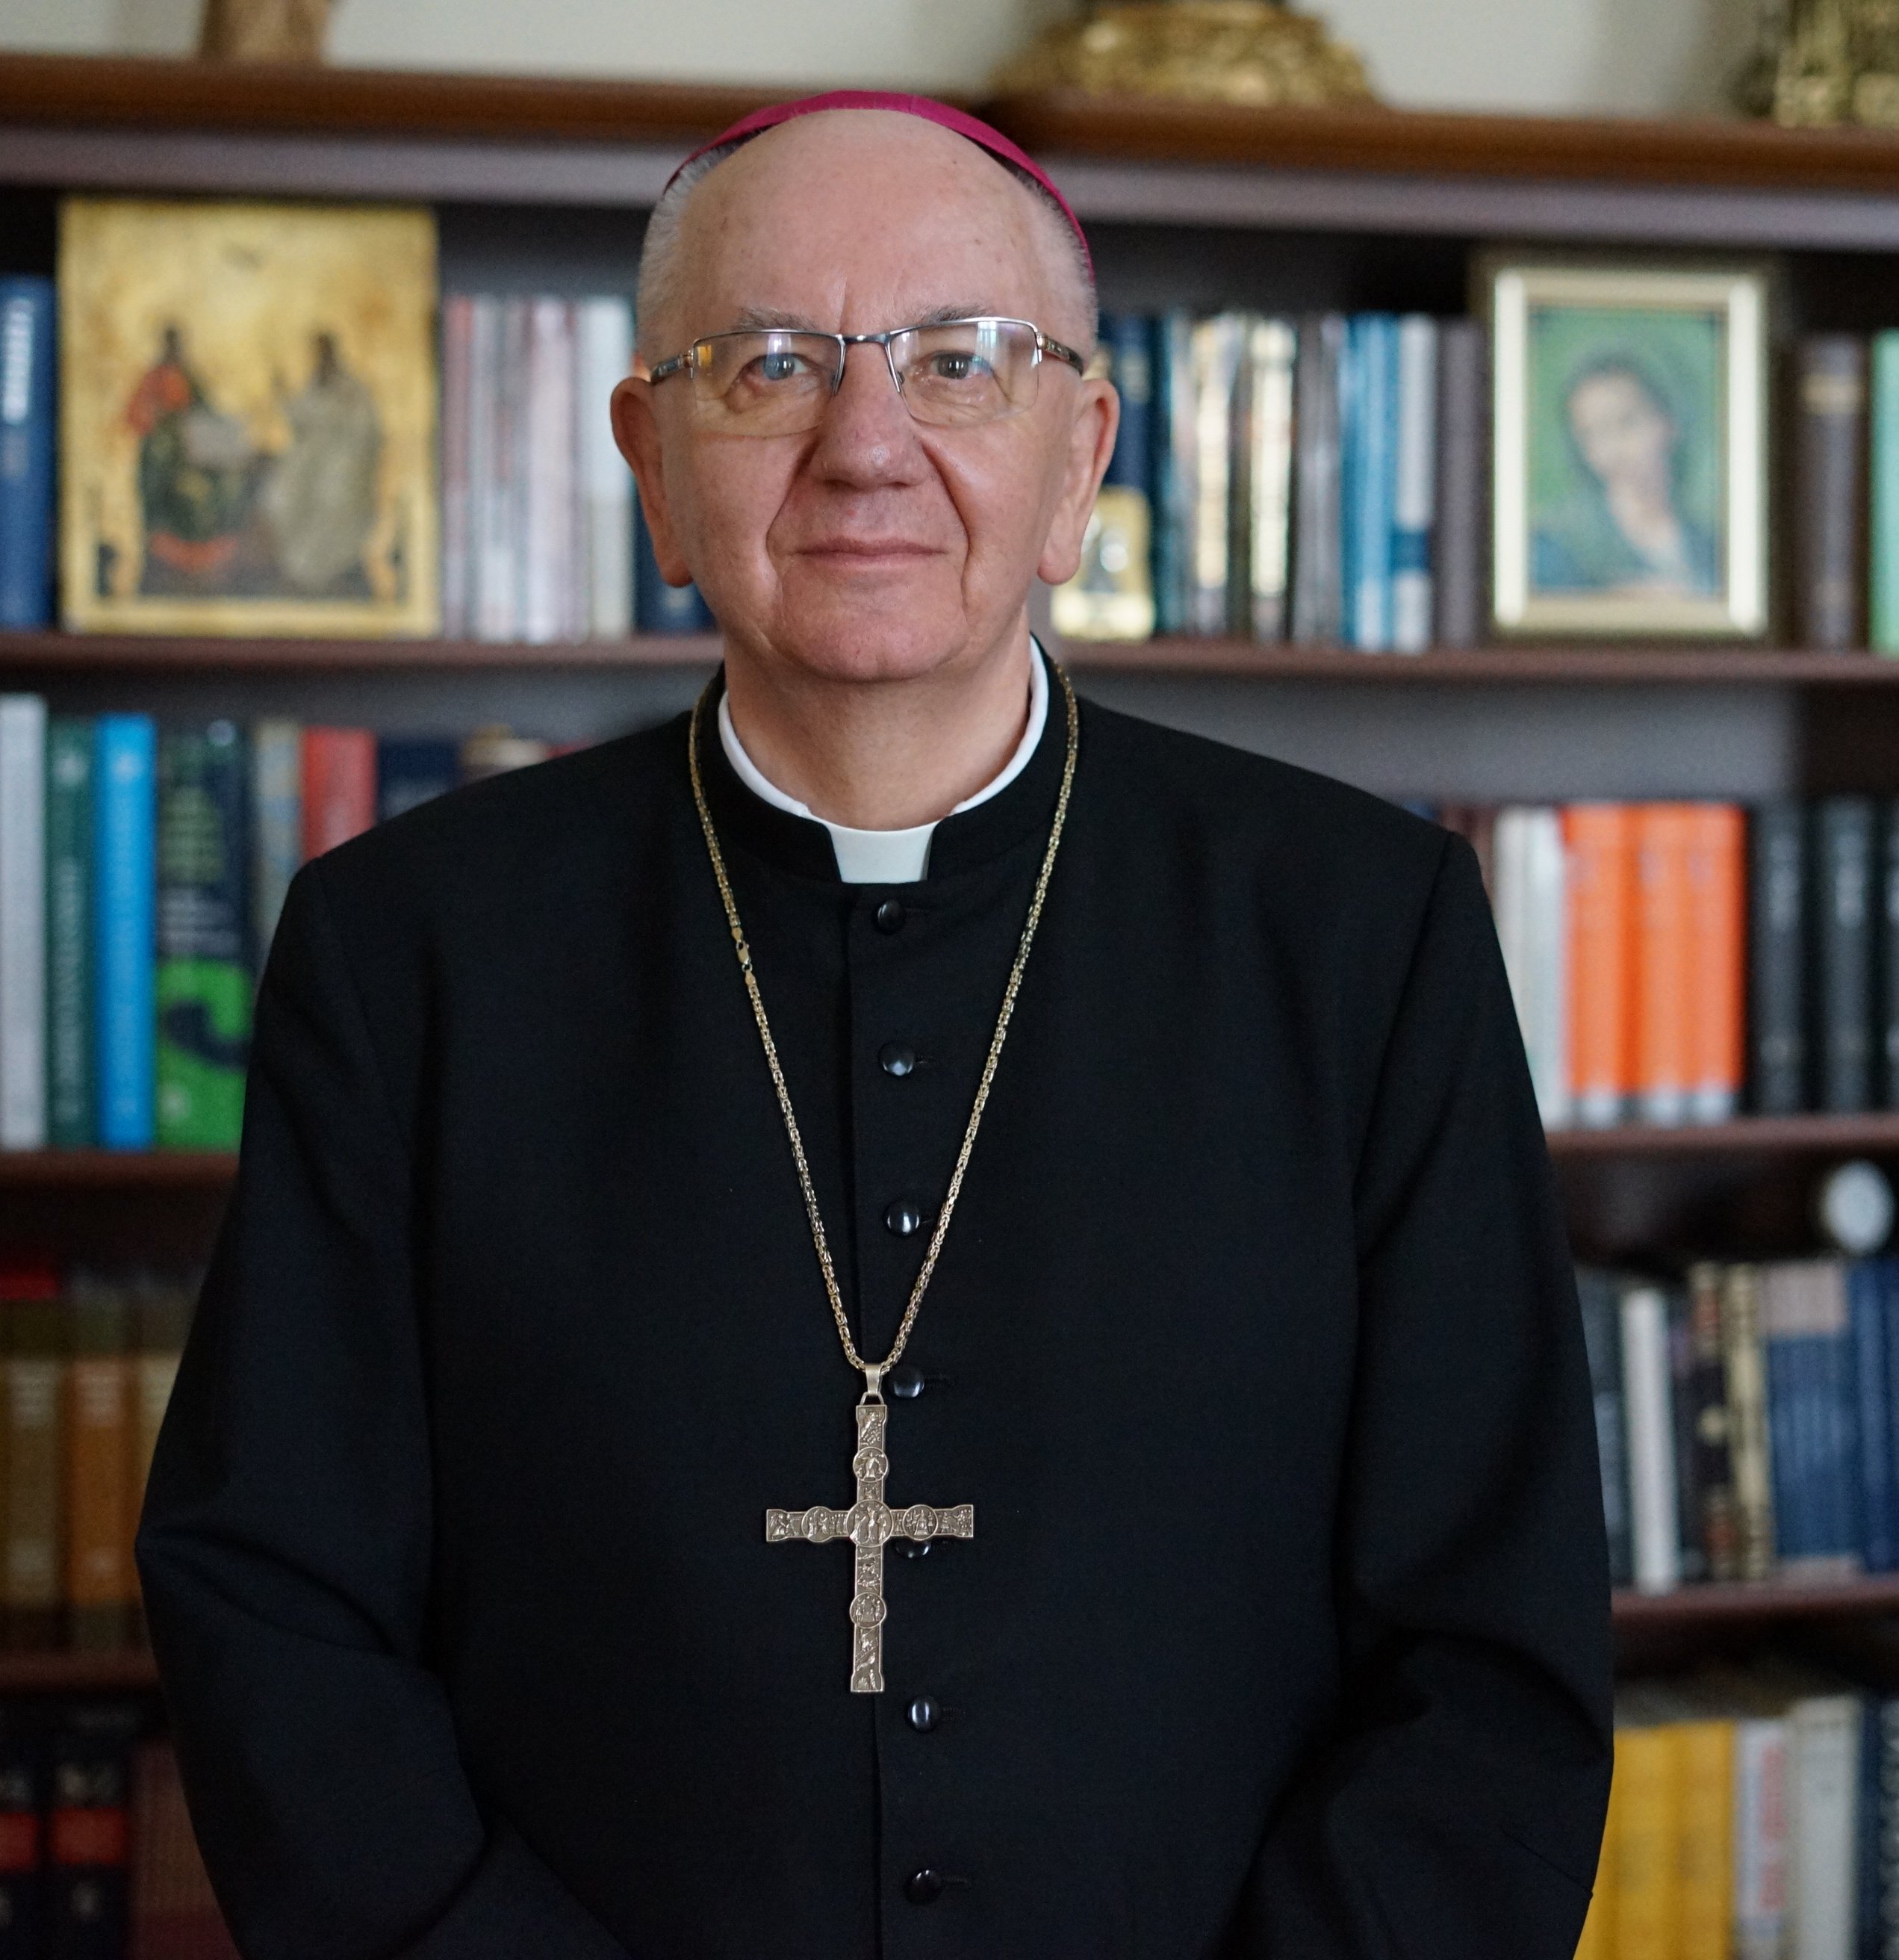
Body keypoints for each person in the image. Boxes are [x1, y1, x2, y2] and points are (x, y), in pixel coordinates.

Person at [138, 91, 1610, 1959]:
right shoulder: (408, 950)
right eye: (768, 364)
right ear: (653, 465)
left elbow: (1492, 1651)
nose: (866, 446)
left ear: (1081, 458)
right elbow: (271, 1603)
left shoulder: (1359, 934)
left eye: (958, 361)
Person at [1530, 353, 1720, 598]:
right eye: (1593, 434)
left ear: (1668, 422)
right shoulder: (1556, 545)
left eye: (1627, 422)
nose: (1613, 450)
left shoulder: (1712, 546)